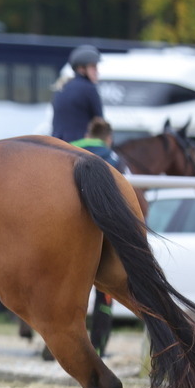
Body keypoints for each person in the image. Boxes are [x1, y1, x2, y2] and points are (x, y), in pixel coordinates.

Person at [72, 116, 126, 356]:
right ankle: (99, 347)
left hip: (68, 226)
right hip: (101, 232)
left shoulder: (67, 147)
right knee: (105, 291)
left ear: (87, 132)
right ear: (108, 138)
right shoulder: (113, 159)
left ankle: (55, 347)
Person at [51, 45, 103, 142]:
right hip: (80, 145)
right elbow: (99, 121)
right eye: (93, 67)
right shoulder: (89, 88)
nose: (97, 71)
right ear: (81, 68)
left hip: (57, 144)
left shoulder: (62, 86)